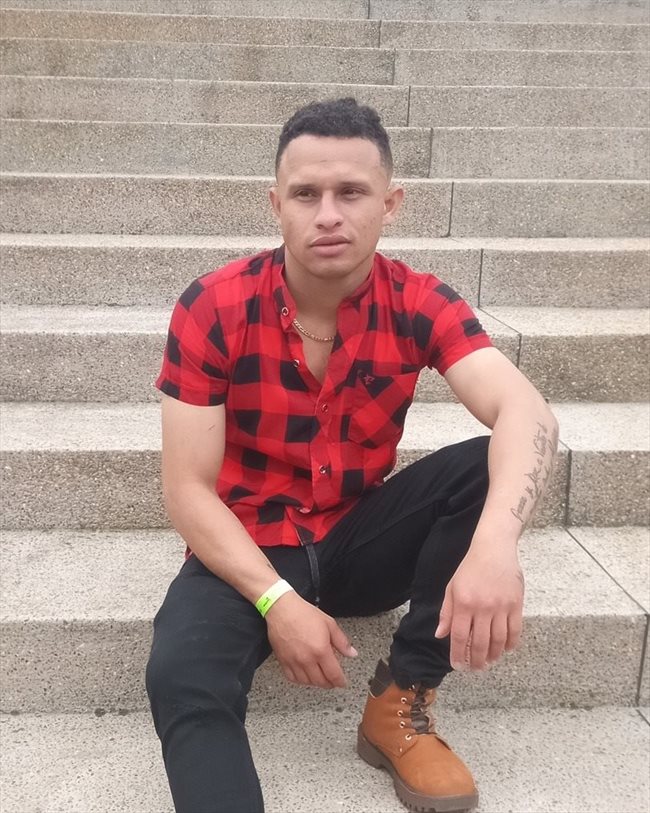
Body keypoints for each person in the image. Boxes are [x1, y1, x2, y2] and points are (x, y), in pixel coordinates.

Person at [146, 97, 558, 813]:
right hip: (250, 543)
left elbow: (528, 411)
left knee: (481, 466)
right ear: (276, 204)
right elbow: (187, 491)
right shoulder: (214, 306)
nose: (328, 215)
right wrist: (276, 600)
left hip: (357, 539)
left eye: (352, 192)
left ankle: (400, 701)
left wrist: (496, 544)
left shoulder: (419, 301)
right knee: (182, 675)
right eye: (306, 194)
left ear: (390, 204)